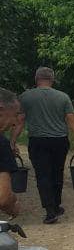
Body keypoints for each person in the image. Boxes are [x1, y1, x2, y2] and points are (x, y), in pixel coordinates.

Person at [13, 68, 74, 224]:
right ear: (52, 80)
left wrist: (12, 141)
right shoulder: (62, 97)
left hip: (38, 141)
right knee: (57, 173)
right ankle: (56, 205)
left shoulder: (26, 97)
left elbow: (20, 121)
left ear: (36, 79)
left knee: (43, 175)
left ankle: (50, 210)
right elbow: (72, 119)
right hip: (59, 141)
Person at [0, 88, 21, 219]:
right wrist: (13, 205)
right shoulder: (1, 143)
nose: (15, 122)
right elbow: (3, 197)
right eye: (14, 114)